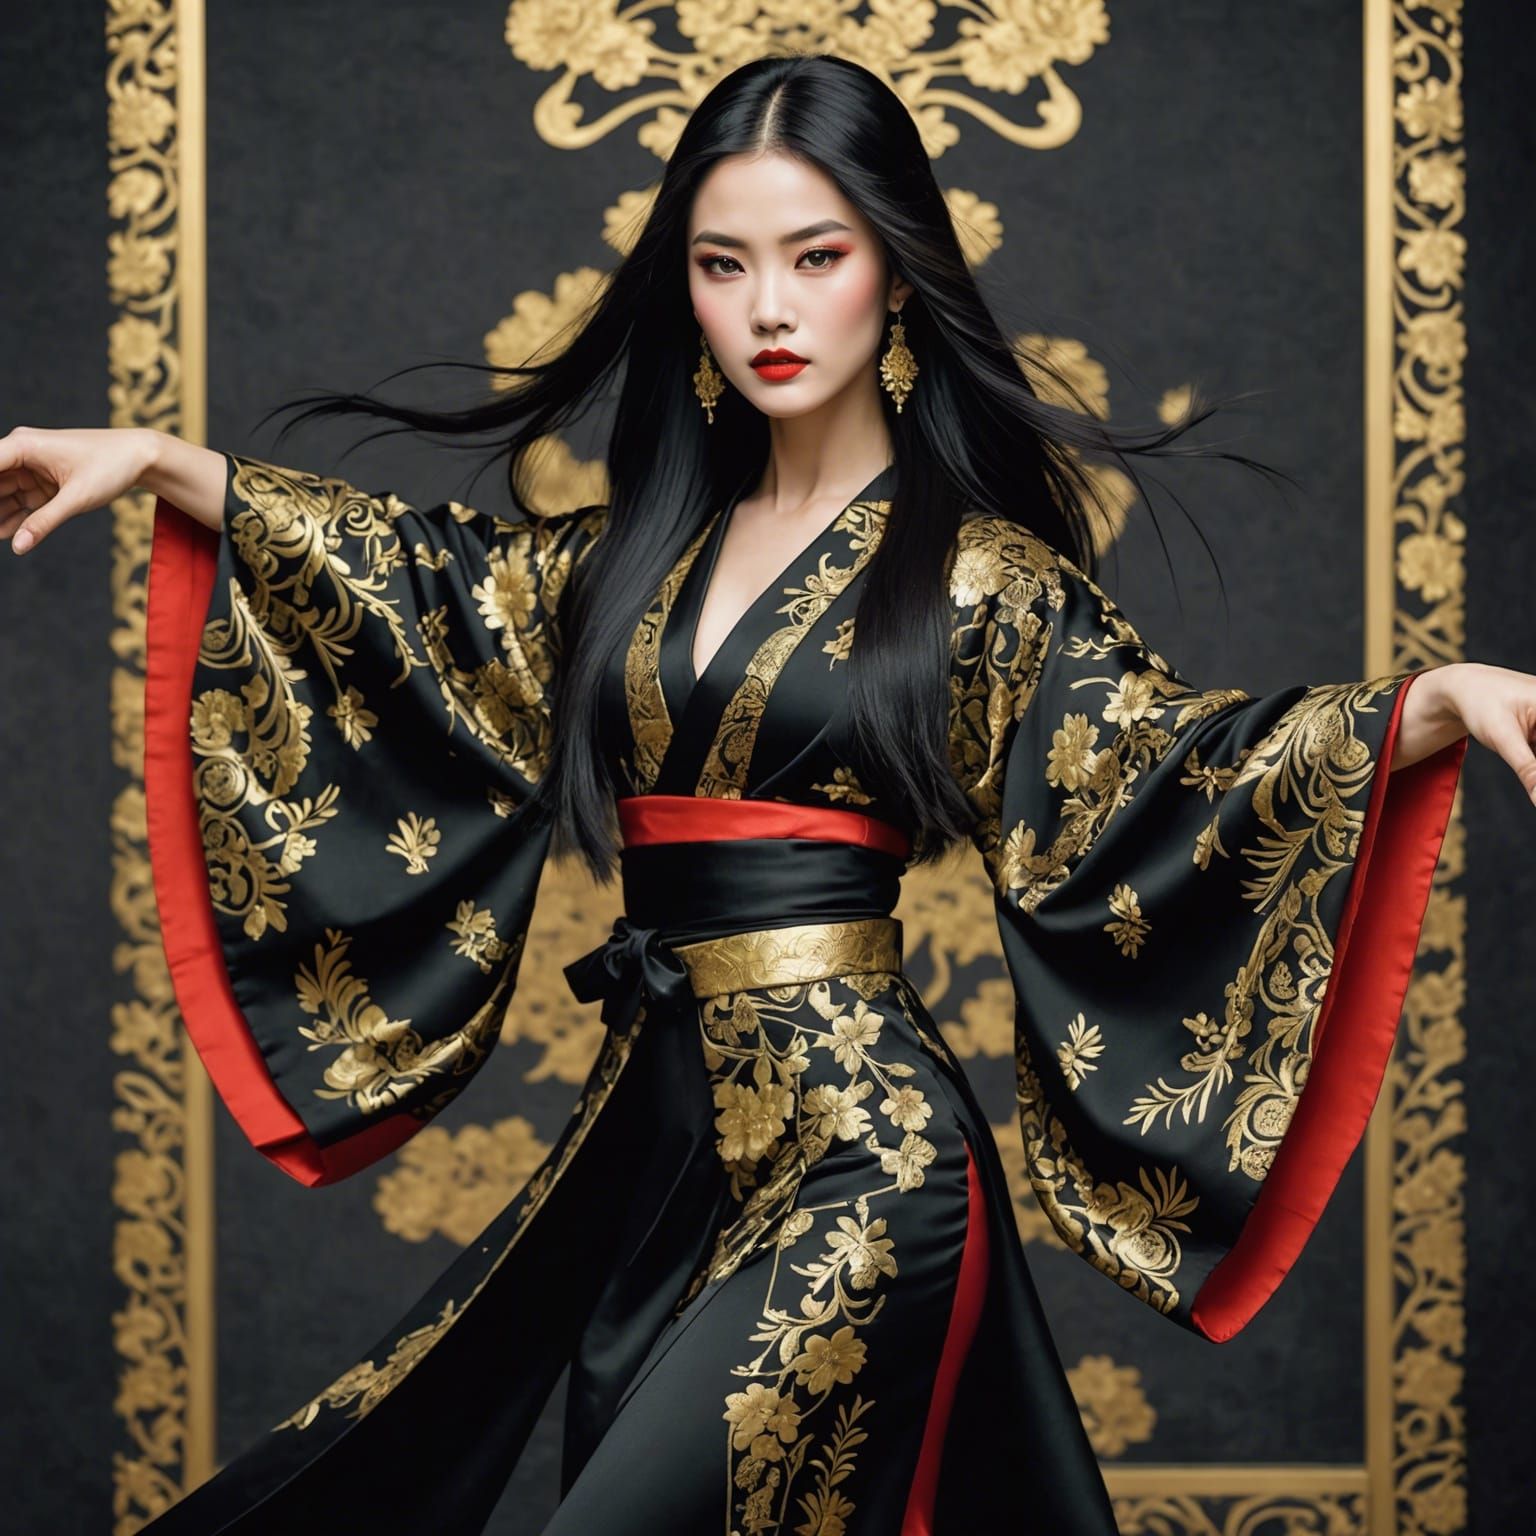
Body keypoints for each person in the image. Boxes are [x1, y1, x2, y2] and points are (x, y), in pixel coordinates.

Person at [2, 50, 1527, 1536]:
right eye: (724, 265)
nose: (772, 308)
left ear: (899, 270)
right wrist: (156, 463)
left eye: (816, 255)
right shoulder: (630, 559)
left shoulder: (979, 582)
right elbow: (425, 594)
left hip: (866, 1158)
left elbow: (1165, 767)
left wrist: (1439, 703)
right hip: (654, 1152)